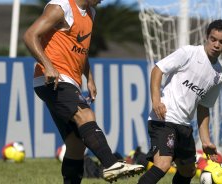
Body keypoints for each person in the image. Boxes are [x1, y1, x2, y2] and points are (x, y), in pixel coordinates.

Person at [23, 0, 144, 183]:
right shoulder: (60, 7)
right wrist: (47, 65)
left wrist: (90, 78)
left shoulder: (90, 13)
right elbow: (30, 35)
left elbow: (81, 48)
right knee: (86, 115)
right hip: (53, 79)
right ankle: (110, 164)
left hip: (70, 81)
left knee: (76, 145)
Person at [138, 19, 222, 184]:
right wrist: (156, 100)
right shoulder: (189, 53)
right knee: (163, 165)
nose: (216, 44)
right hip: (164, 118)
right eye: (213, 39)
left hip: (184, 125)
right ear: (207, 37)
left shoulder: (219, 74)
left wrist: (206, 141)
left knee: (188, 171)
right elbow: (158, 69)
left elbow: (203, 107)